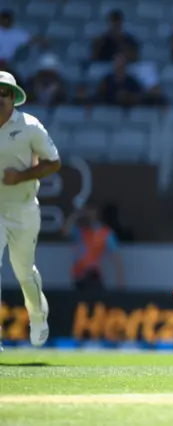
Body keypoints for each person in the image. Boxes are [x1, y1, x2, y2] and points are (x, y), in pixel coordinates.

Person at [0, 71, 61, 351]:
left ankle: (37, 317)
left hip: (23, 208)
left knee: (24, 273)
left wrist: (20, 177)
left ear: (13, 98)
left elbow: (53, 163)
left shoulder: (30, 126)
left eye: (5, 93)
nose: (0, 98)